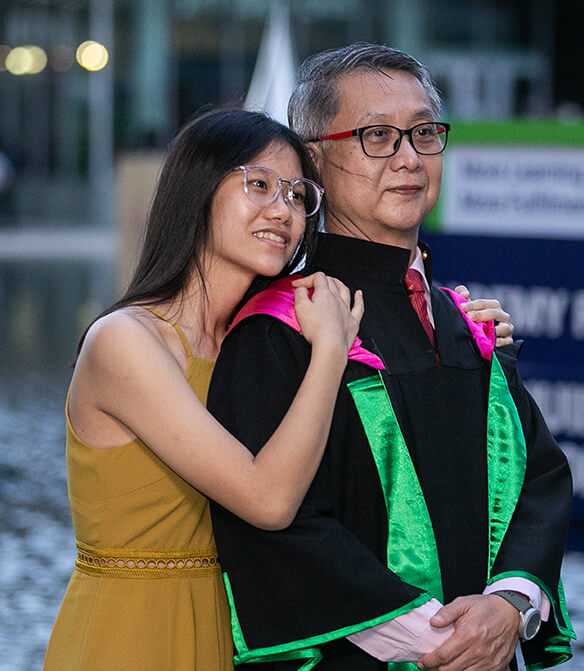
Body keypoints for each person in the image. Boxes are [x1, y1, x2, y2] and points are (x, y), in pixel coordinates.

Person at [207, 43, 575, 671]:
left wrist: (511, 606)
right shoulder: (280, 330)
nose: (408, 158)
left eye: (424, 133)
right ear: (314, 160)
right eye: (377, 135)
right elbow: (277, 530)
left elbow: (540, 477)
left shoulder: (468, 325)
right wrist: (443, 640)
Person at [42, 107, 364, 670]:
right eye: (259, 185)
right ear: (197, 190)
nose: (282, 211)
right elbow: (268, 501)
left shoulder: (257, 345)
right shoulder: (125, 341)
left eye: (296, 195)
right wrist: (331, 351)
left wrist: (466, 324)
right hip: (130, 635)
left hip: (234, 635)